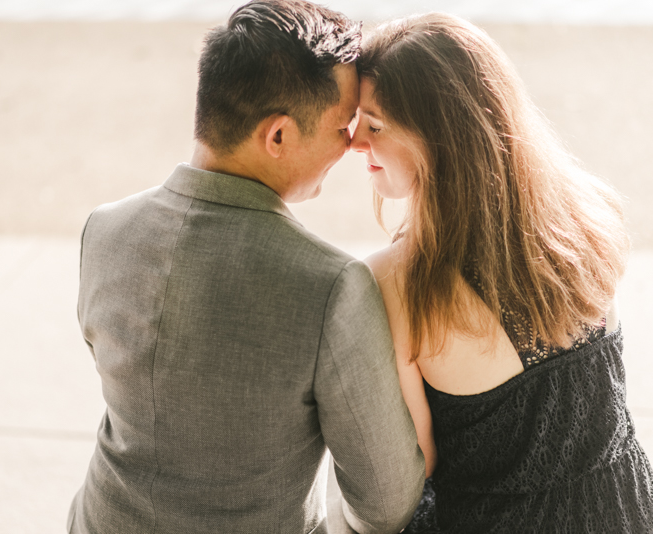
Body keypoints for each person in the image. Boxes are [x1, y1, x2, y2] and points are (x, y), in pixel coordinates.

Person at [67, 1, 426, 533]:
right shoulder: (330, 286)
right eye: (341, 124)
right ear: (277, 136)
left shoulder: (104, 230)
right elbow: (386, 501)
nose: (352, 143)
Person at [350, 12, 653, 533]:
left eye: (373, 125)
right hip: (630, 514)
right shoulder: (584, 218)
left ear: (436, 137)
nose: (354, 143)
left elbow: (416, 469)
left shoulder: (394, 284)